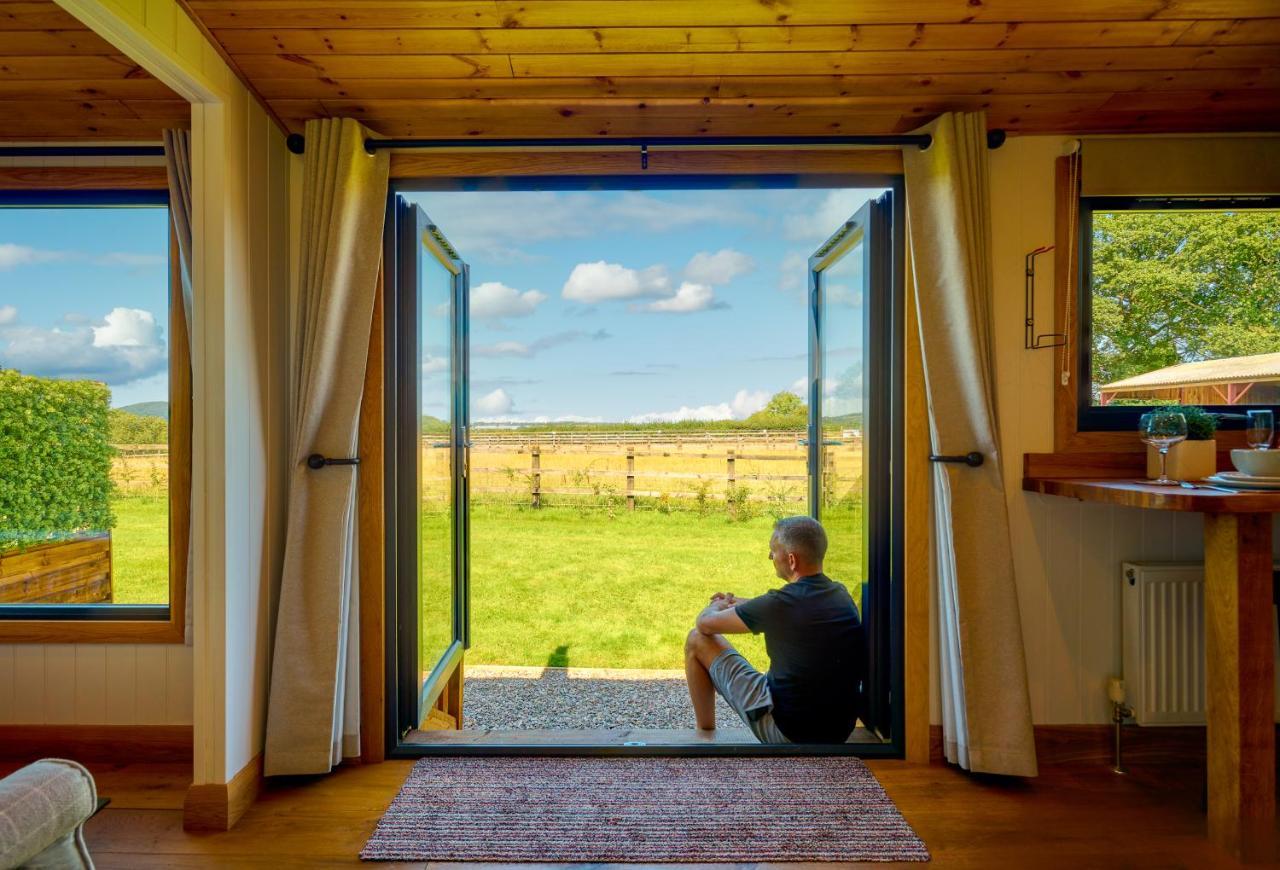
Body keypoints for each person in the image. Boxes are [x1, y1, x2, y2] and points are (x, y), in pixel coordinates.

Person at [684, 515, 863, 744]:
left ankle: (704, 735)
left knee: (696, 639)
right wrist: (738, 602)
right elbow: (783, 607)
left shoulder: (780, 605)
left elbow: (705, 623)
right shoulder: (840, 594)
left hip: (789, 734)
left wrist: (716, 606)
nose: (770, 556)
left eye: (773, 550)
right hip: (837, 731)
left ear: (791, 560)